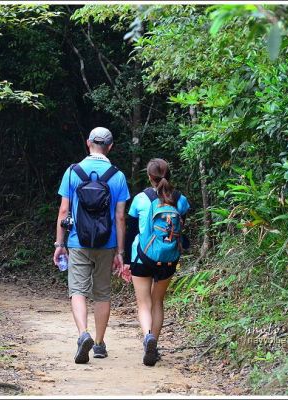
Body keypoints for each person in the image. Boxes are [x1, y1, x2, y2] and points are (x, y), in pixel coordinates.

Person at [53, 127, 130, 364]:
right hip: (106, 244)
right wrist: (120, 251)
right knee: (102, 293)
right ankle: (98, 343)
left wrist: (59, 243)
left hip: (78, 241)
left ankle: (82, 334)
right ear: (110, 147)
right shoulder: (117, 175)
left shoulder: (72, 172)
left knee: (78, 290)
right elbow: (119, 217)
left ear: (88, 143)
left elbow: (64, 210)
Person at [125, 158, 190, 366]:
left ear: (149, 176)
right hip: (169, 258)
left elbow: (131, 232)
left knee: (144, 303)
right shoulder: (180, 199)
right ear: (168, 174)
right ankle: (155, 344)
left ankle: (148, 337)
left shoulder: (141, 199)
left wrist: (126, 260)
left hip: (142, 257)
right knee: (158, 301)